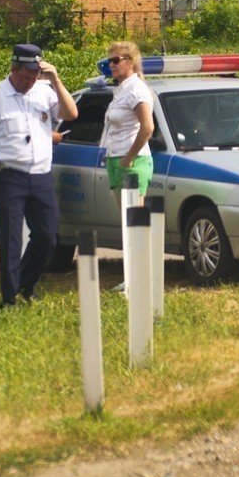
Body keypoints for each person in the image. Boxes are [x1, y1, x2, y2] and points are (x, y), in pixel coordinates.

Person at [0, 43, 78, 307]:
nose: (29, 82)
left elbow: (71, 113)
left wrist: (56, 80)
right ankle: (9, 299)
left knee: (48, 235)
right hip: (10, 177)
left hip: (41, 176)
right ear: (13, 69)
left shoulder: (44, 91)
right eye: (25, 77)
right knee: (10, 240)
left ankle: (26, 284)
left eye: (34, 76)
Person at [100, 41, 155, 291]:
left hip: (132, 162)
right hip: (116, 160)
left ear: (130, 62)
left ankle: (139, 279)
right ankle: (131, 277)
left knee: (134, 221)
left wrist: (130, 157)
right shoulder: (121, 89)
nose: (111, 65)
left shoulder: (137, 89)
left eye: (116, 60)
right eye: (109, 61)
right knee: (126, 221)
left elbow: (148, 127)